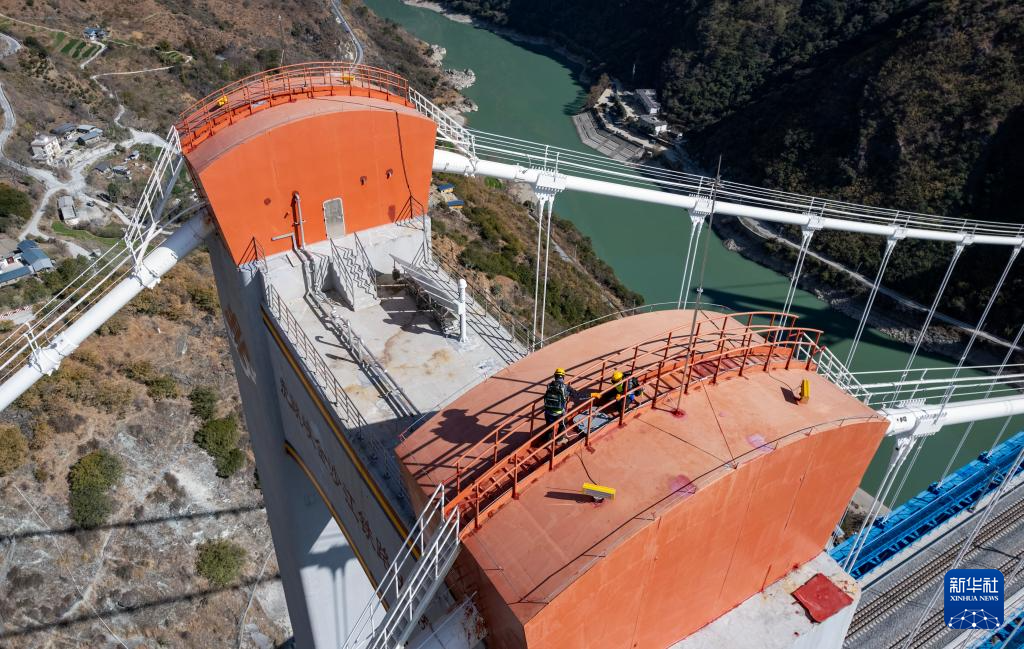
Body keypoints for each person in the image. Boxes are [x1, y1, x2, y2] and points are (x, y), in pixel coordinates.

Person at [541, 368, 583, 444]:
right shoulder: (566, 387)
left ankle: (548, 441)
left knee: (549, 426)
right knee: (564, 424)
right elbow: (577, 395)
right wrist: (591, 395)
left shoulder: (549, 385)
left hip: (548, 412)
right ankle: (559, 439)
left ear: (555, 376)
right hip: (559, 413)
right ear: (563, 377)